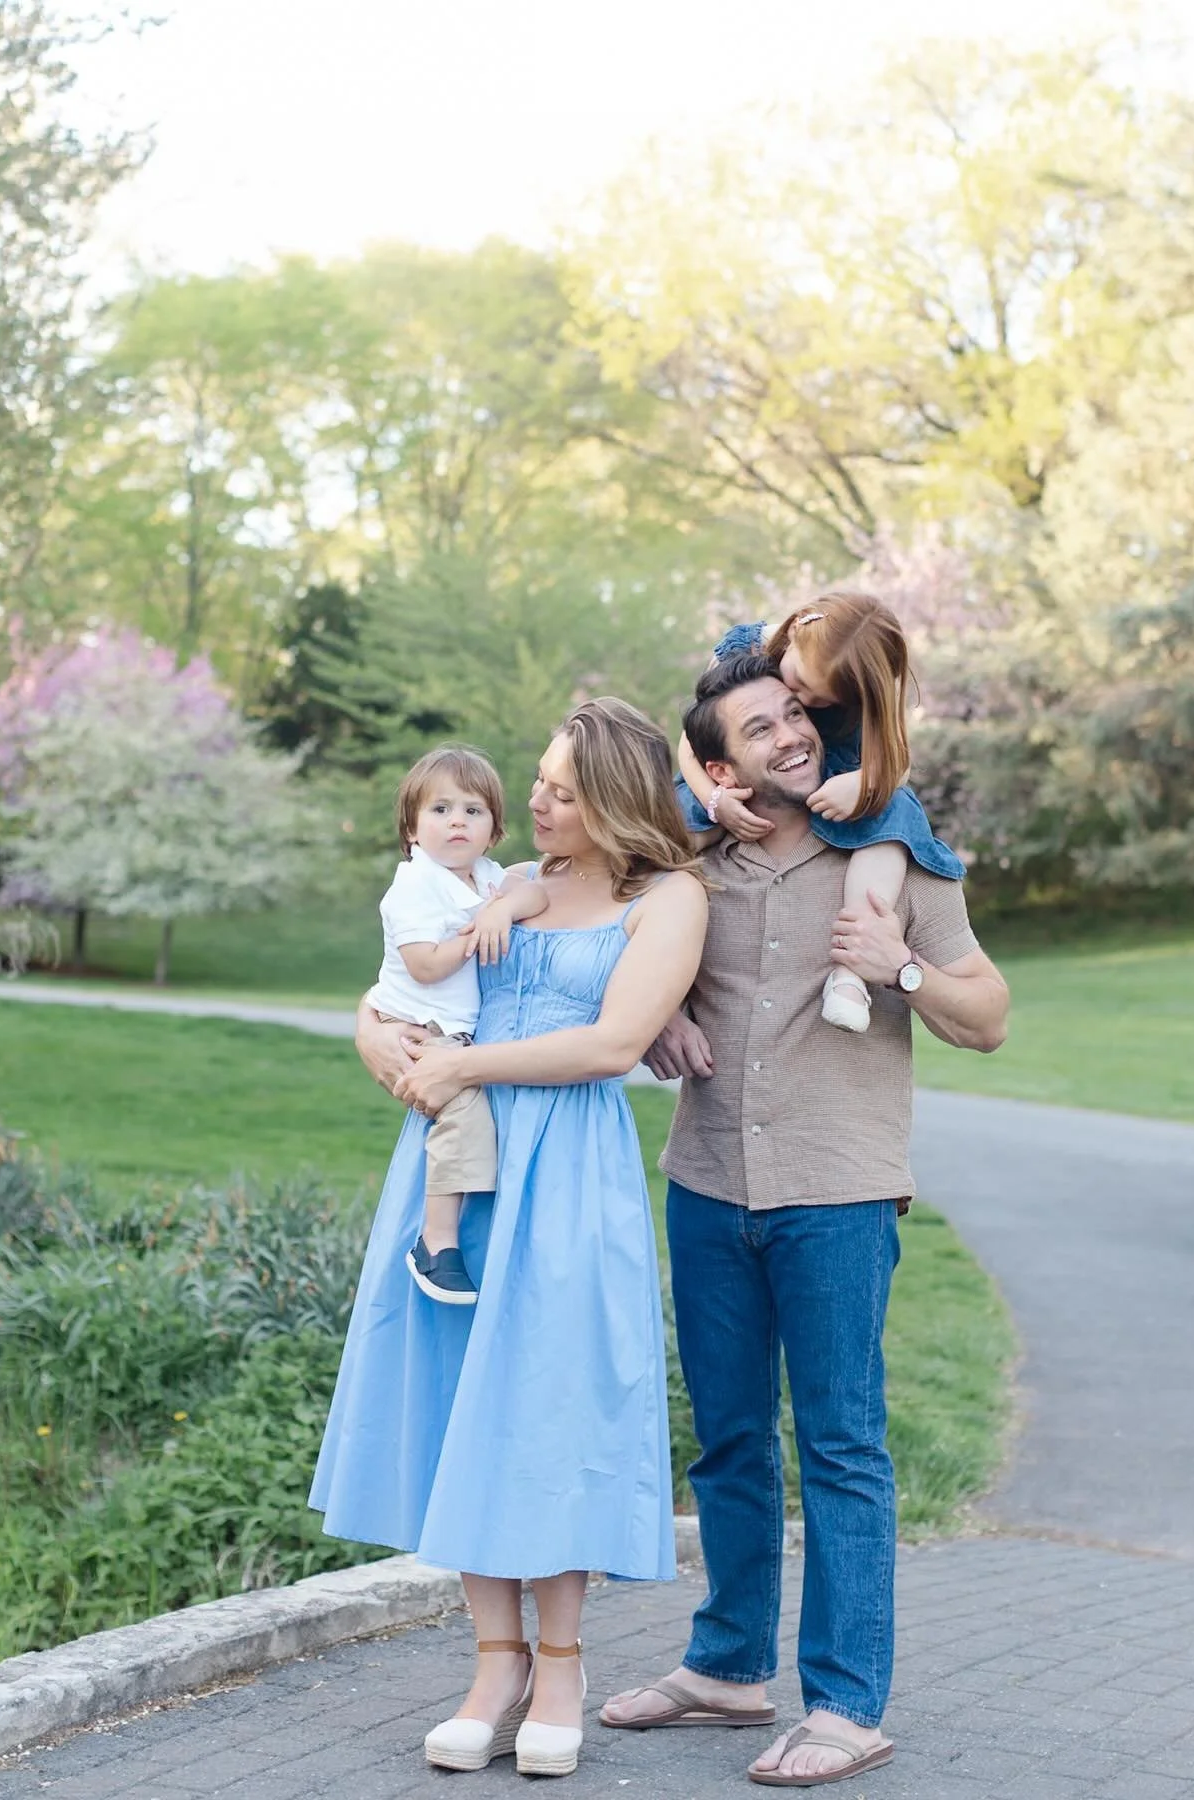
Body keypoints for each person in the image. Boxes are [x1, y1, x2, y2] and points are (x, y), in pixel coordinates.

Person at [603, 653, 1009, 1789]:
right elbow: (597, 913)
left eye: (794, 715)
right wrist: (657, 1019)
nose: (789, 736)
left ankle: (844, 1704)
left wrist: (905, 974)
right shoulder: (687, 868)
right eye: (759, 727)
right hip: (708, 1184)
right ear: (720, 765)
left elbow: (990, 1016)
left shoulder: (894, 857)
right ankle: (728, 1667)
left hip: (837, 1192)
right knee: (729, 1442)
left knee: (840, 1446)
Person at [311, 697, 710, 1781]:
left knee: (552, 1403)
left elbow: (615, 1041)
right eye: (537, 780)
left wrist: (463, 1067)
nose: (532, 801)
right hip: (460, 1160)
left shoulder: (665, 898)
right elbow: (398, 985)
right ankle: (495, 1665)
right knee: (462, 1403)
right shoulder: (495, 881)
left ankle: (565, 1664)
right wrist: (375, 1039)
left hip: (567, 1172)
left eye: (561, 791)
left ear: (617, 802)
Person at [676, 591, 966, 1034]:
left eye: (822, 700)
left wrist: (867, 782)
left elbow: (897, 760)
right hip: (726, 777)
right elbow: (692, 740)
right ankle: (657, 969)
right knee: (672, 832)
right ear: (793, 632)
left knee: (893, 812)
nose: (804, 699)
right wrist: (714, 800)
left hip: (831, 776)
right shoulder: (745, 647)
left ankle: (851, 968)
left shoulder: (862, 687)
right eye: (801, 682)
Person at [361, 744, 547, 1305]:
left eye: (473, 810)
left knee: (469, 1118)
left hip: (453, 1029)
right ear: (413, 829)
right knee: (463, 1117)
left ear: (493, 830)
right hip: (416, 1025)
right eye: (440, 810)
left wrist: (500, 908)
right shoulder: (417, 886)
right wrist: (473, 935)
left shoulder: (483, 877)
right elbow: (424, 964)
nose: (457, 822)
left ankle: (446, 1232)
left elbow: (533, 890)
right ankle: (435, 1242)